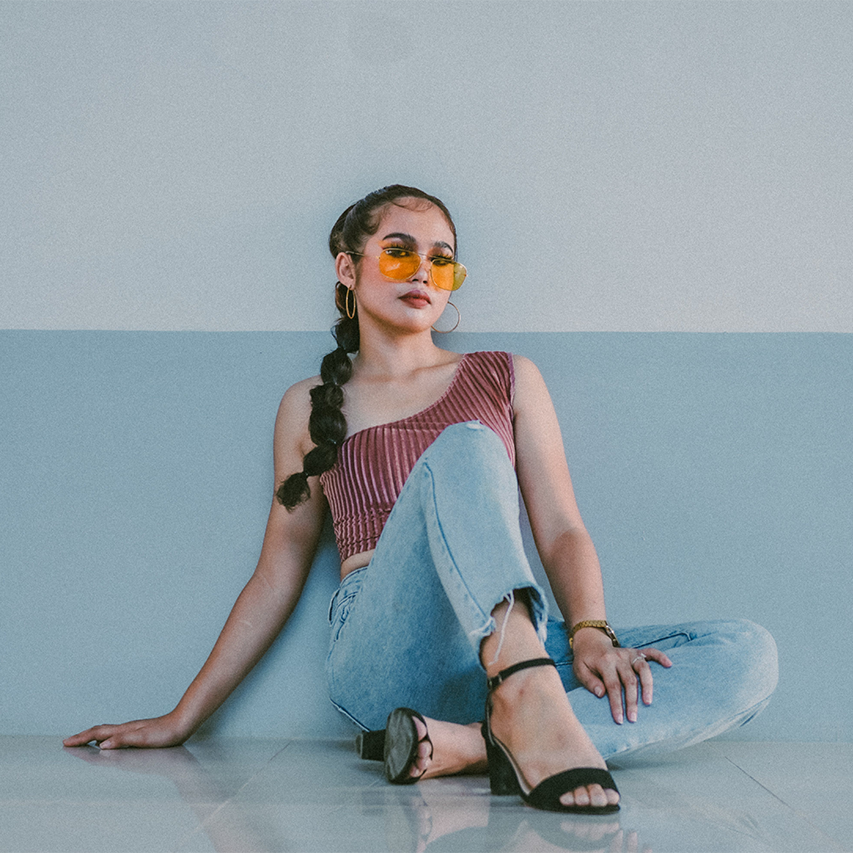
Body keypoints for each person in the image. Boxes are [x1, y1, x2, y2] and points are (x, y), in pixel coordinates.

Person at [64, 185, 778, 814]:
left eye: (442, 259)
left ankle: (475, 742)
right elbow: (276, 573)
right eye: (400, 251)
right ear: (349, 268)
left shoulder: (506, 374)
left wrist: (590, 628)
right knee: (466, 445)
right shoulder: (311, 404)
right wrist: (182, 718)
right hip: (389, 653)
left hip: (510, 640)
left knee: (746, 653)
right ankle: (530, 705)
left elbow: (559, 527)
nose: (424, 272)